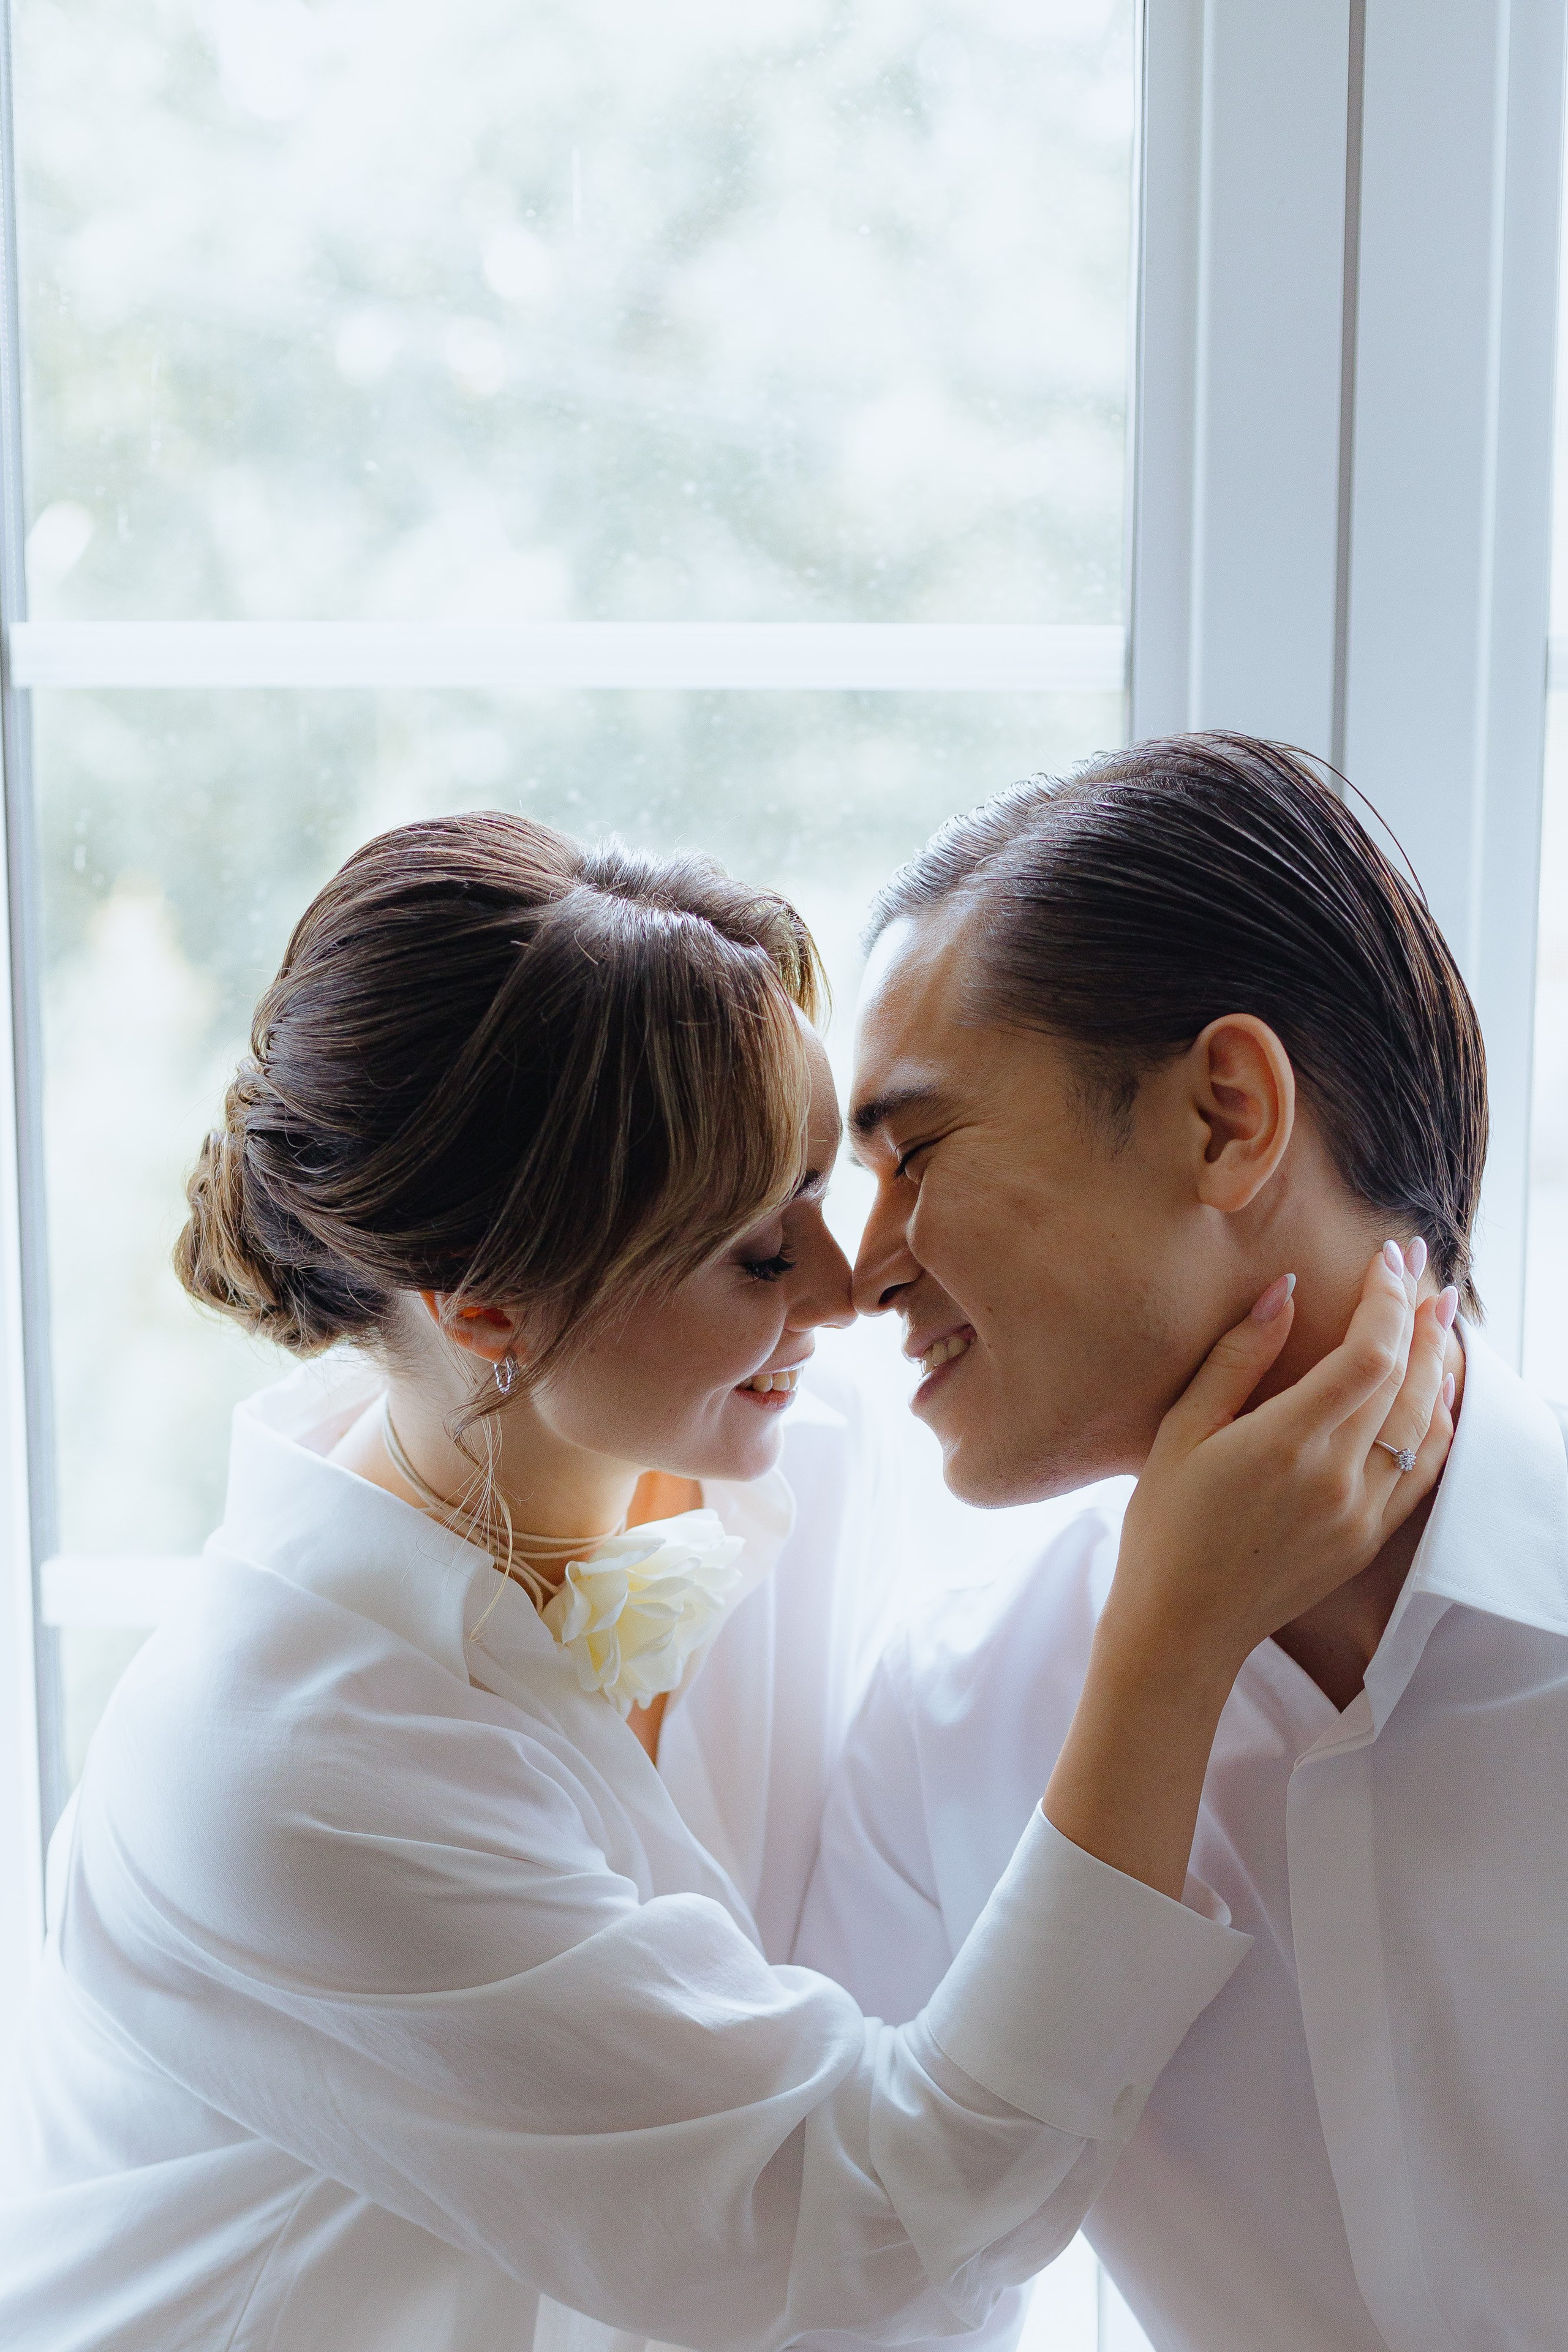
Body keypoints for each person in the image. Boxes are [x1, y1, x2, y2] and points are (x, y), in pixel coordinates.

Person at [0, 810, 1447, 2352]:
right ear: (483, 1308)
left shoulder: (800, 1466)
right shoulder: (279, 1775)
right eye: (756, 1258)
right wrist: (1169, 1646)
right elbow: (875, 2244)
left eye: (819, 1192)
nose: (846, 1291)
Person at [797, 731, 1564, 2352]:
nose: (859, 1271)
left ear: (1227, 1116)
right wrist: (1162, 1665)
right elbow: (853, 2307)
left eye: (914, 1152)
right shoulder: (942, 1725)